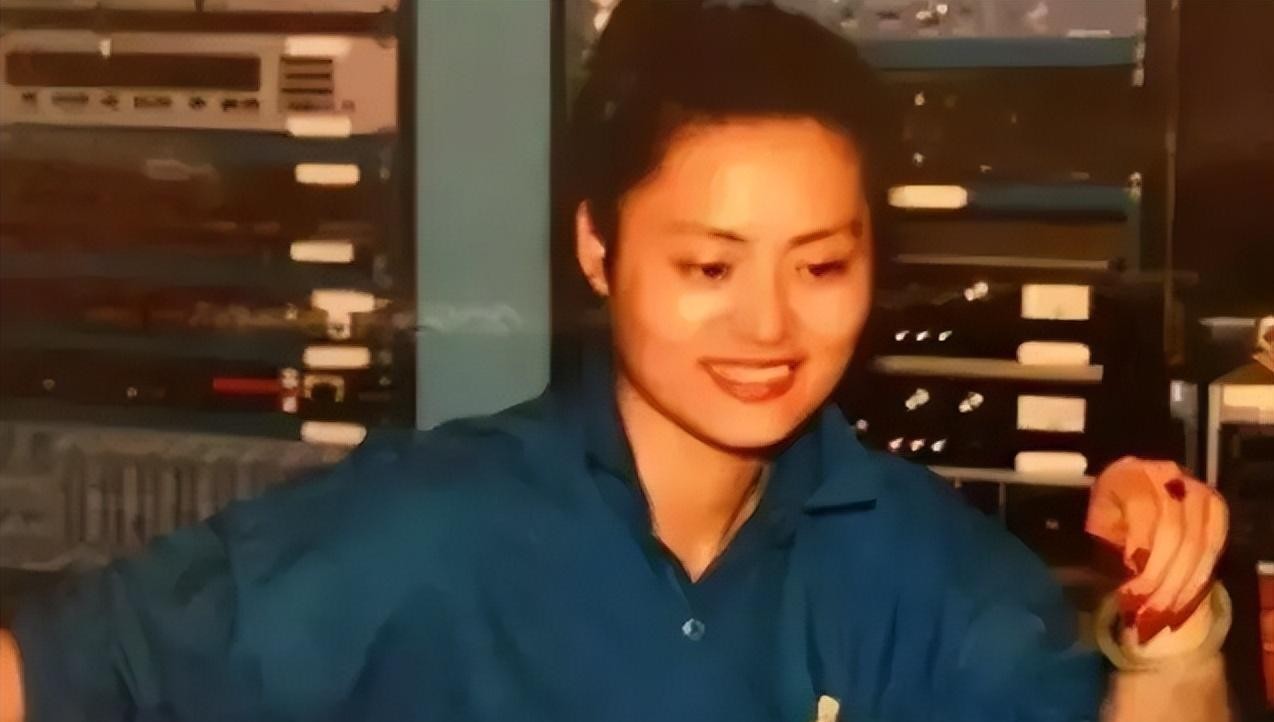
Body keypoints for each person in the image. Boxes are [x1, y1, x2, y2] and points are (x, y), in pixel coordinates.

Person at [0, 1, 1232, 720]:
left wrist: (1167, 617)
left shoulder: (920, 571)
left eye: (818, 266)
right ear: (597, 246)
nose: (767, 326)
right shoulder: (424, 529)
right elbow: (56, 674)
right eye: (708, 265)